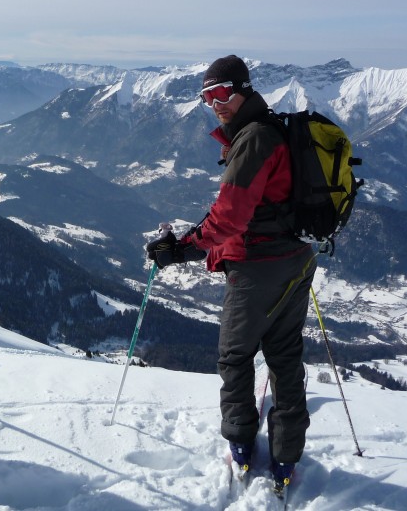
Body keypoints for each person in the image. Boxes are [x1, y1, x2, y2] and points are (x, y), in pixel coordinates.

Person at [146, 55, 317, 490]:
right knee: (284, 357)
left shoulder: (255, 138)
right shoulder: (274, 129)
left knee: (235, 356)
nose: (215, 104)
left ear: (242, 90)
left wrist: (183, 248)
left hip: (258, 267)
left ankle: (241, 444)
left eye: (222, 93)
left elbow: (230, 217)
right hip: (295, 260)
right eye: (207, 96)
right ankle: (285, 459)